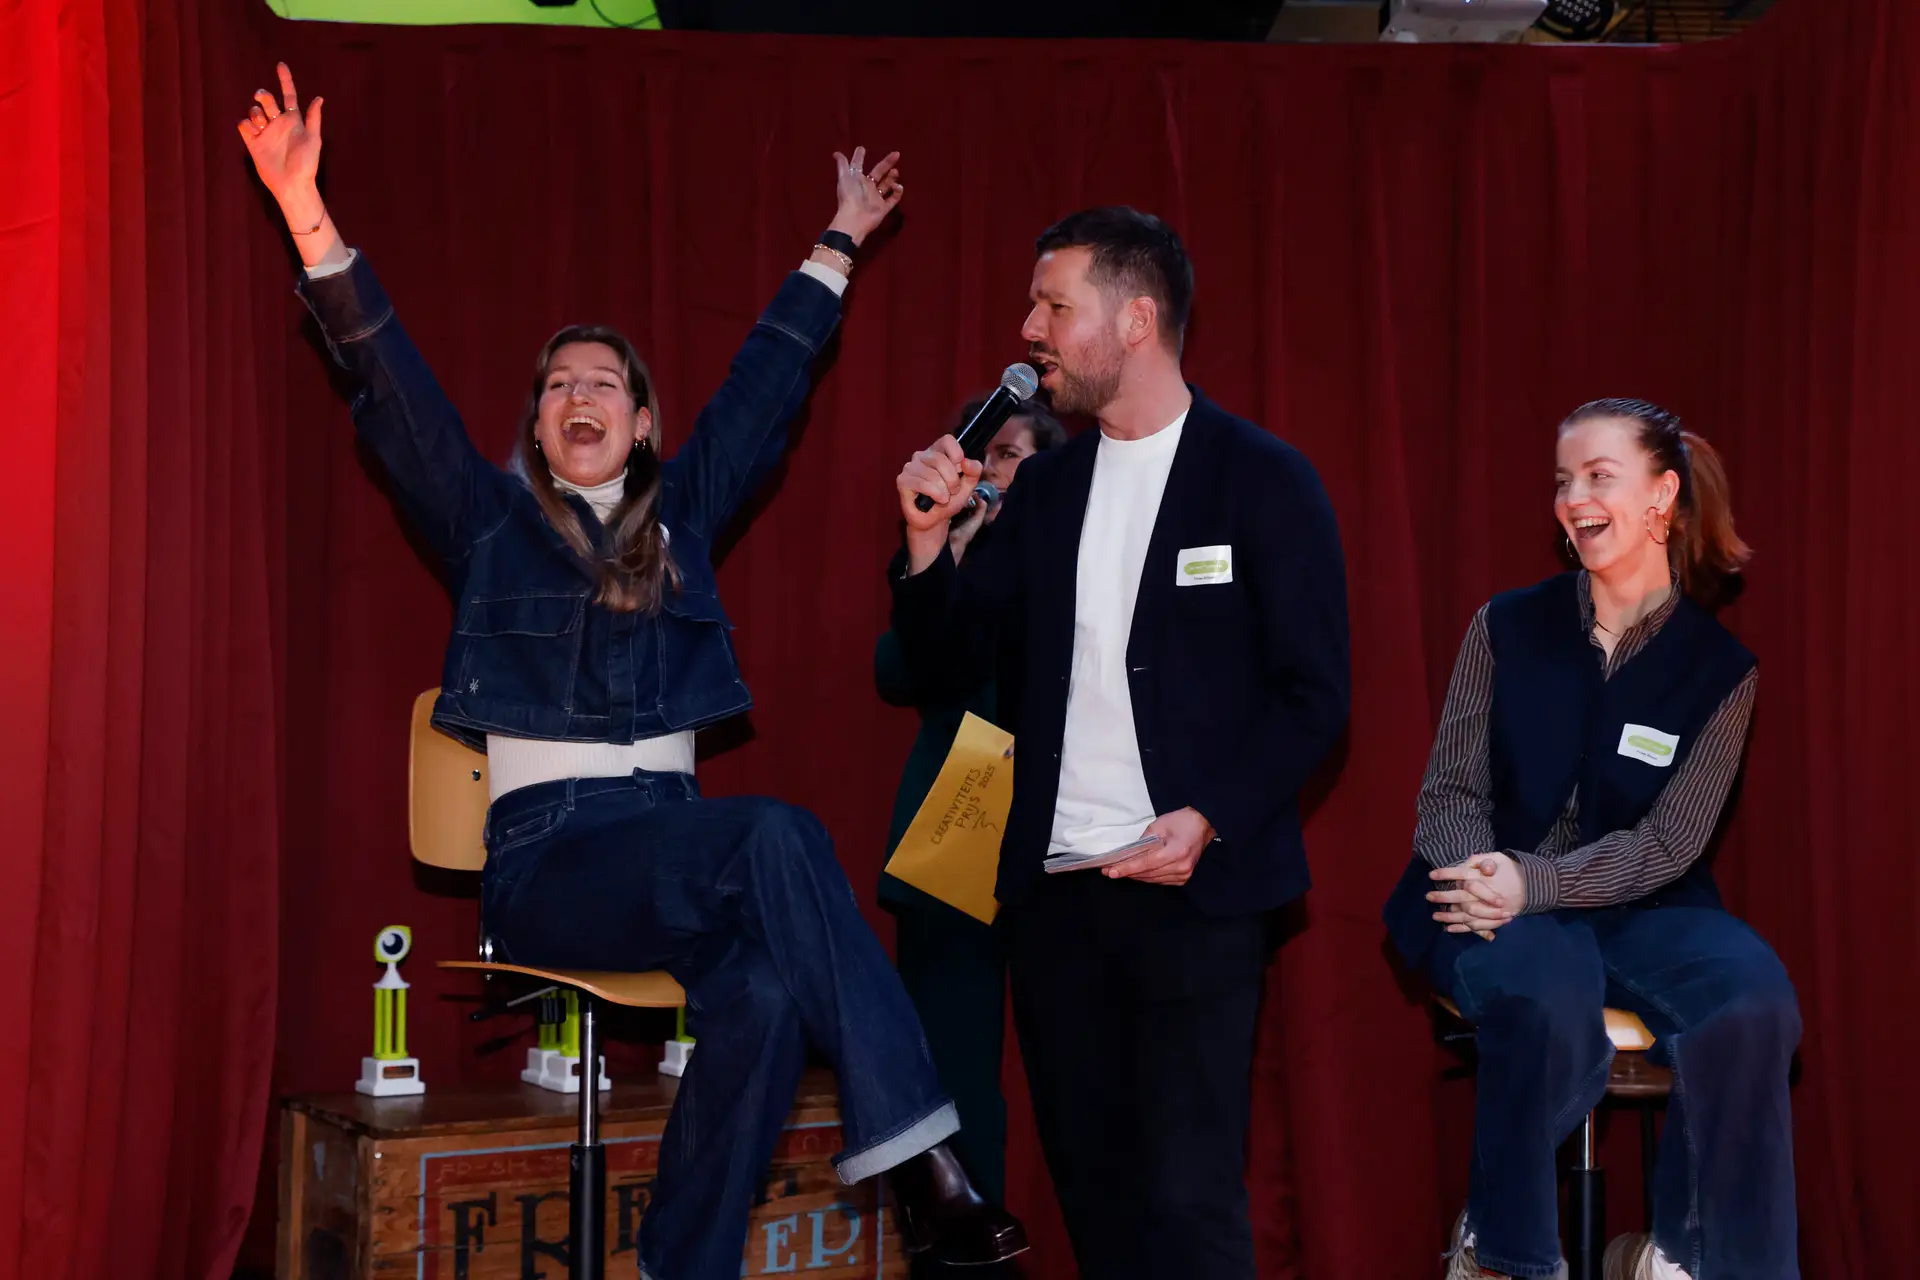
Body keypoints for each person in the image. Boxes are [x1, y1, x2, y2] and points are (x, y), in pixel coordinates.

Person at [236, 63, 1025, 1280]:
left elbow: (764, 390)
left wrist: (839, 240)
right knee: (776, 832)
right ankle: (929, 1165)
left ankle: (677, 1265)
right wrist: (306, 212)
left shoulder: (683, 520)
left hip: (669, 842)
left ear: (642, 423)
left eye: (604, 381)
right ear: (537, 426)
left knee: (764, 997)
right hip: (549, 857)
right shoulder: (488, 525)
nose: (579, 394)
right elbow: (389, 387)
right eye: (558, 384)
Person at [890, 207, 1351, 1279]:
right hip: (1055, 902)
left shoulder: (1263, 479)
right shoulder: (1046, 491)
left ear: (1136, 320)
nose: (1029, 330)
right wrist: (924, 545)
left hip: (1196, 895)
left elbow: (1314, 697)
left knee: (1188, 1206)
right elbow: (950, 659)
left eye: (1054, 306)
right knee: (1097, 1206)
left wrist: (1212, 817)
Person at [1382, 398, 1799, 1280]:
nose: (1574, 499)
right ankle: (1501, 1254)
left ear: (1662, 496)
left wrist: (1538, 882)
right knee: (1546, 995)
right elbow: (1450, 789)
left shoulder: (1722, 671)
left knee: (1755, 1002)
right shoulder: (1506, 626)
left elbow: (1670, 844)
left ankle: (1680, 1258)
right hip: (1490, 890)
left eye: (1599, 476)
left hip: (1646, 902)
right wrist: (1484, 877)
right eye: (1563, 481)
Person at [873, 398, 1066, 1229]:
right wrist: (947, 552)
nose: (994, 467)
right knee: (950, 1068)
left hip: (1062, 843)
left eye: (1015, 454)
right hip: (955, 835)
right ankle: (959, 1243)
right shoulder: (947, 558)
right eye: (988, 452)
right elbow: (895, 673)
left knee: (1080, 1074)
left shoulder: (1080, 555)